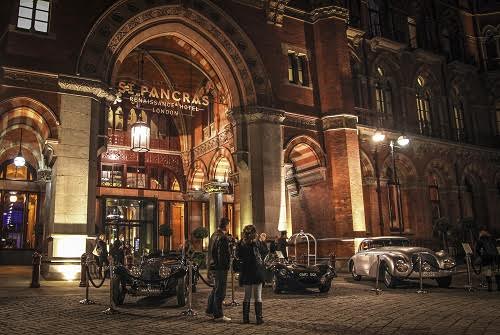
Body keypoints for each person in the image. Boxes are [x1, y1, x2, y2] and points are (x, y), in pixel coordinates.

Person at [237, 225, 265, 325]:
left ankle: (245, 318)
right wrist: (260, 241)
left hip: (246, 272)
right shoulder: (256, 243)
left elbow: (238, 256)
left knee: (247, 296)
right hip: (256, 272)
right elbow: (264, 252)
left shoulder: (241, 243)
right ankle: (259, 318)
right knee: (258, 296)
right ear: (253, 233)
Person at [206, 218, 231, 322]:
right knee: (220, 291)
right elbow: (221, 255)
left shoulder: (214, 235)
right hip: (220, 268)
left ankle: (210, 310)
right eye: (228, 225)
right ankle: (218, 315)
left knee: (215, 289)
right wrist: (225, 266)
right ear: (226, 225)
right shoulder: (222, 237)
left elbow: (210, 252)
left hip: (213, 266)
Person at [476, 227, 499, 292]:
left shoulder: (480, 240)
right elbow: (496, 247)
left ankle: (490, 288)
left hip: (486, 258)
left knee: (488, 272)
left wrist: (480, 256)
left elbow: (477, 250)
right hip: (494, 257)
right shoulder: (492, 239)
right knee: (496, 272)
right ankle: (499, 286)